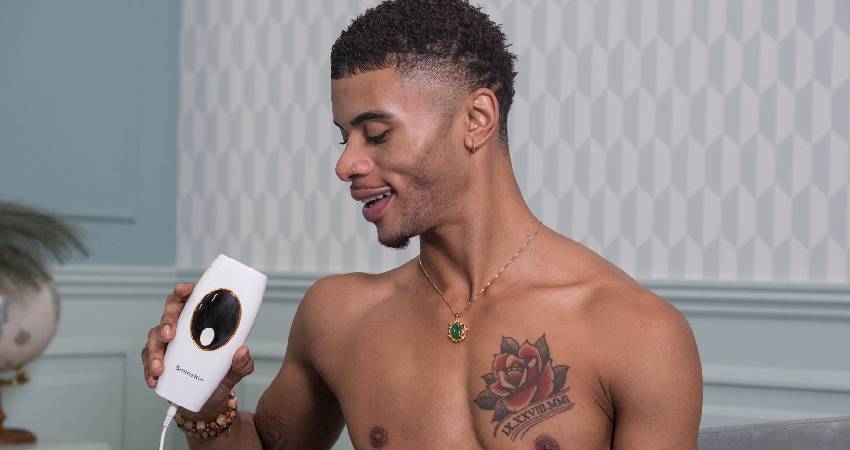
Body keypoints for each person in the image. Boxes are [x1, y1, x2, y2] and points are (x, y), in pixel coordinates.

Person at [141, 0, 703, 448]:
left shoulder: (637, 333)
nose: (345, 165)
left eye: (376, 134)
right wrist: (206, 405)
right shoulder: (338, 317)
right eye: (344, 138)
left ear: (477, 119)